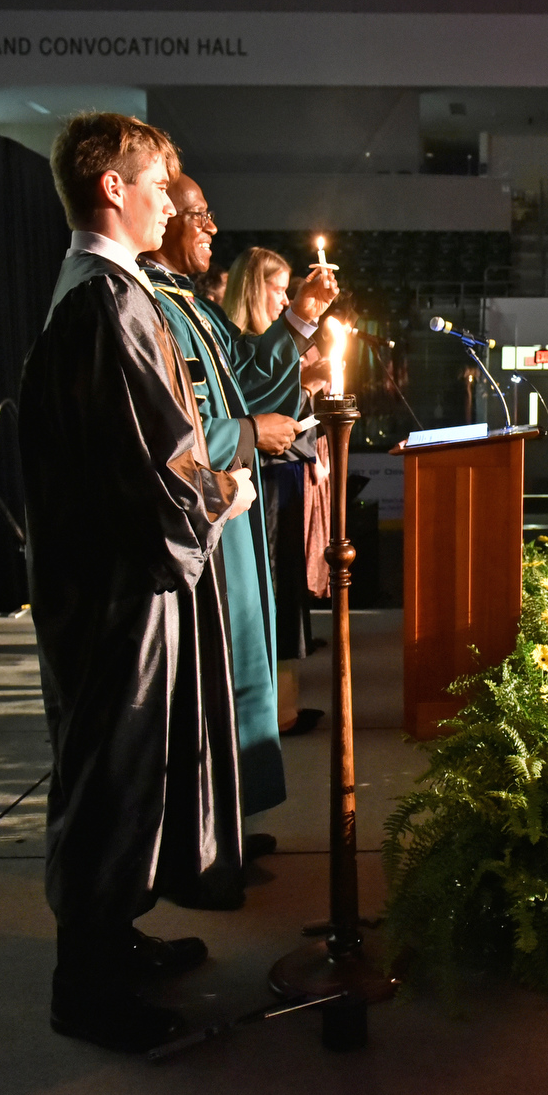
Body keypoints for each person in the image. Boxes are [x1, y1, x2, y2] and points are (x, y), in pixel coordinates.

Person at [22, 112, 257, 1053]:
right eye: (156, 184)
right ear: (111, 187)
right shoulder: (104, 302)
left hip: (109, 580)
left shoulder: (100, 290)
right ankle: (86, 988)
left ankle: (112, 940)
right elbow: (155, 467)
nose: (169, 201)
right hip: (113, 592)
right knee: (109, 774)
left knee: (123, 771)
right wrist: (226, 491)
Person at [140, 174, 292, 836]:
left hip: (229, 502)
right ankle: (212, 826)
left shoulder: (190, 305)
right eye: (196, 213)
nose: (209, 227)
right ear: (164, 212)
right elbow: (174, 429)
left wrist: (301, 320)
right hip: (202, 510)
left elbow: (249, 376)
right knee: (215, 673)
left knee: (241, 663)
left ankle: (231, 816)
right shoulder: (147, 305)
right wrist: (253, 433)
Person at [221, 245, 335, 735]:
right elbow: (257, 400)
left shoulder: (266, 341)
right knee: (268, 593)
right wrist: (300, 323)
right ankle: (269, 714)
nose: (285, 298)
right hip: (259, 485)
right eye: (278, 288)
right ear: (252, 287)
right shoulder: (237, 340)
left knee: (285, 593)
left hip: (283, 478)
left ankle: (281, 708)